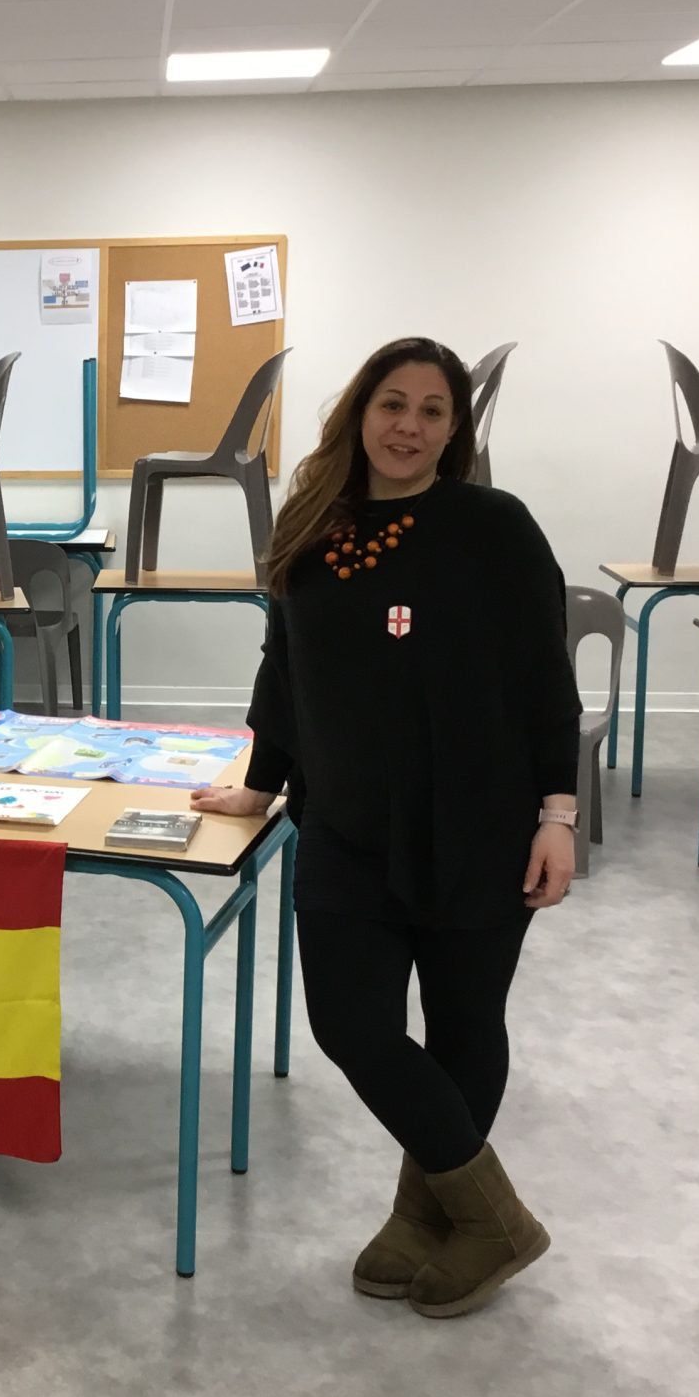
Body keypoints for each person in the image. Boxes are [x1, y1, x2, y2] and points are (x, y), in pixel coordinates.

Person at [191, 336, 580, 1318]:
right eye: (392, 404)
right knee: (350, 1025)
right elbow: (284, 667)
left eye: (431, 410)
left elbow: (546, 678)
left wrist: (558, 813)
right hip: (346, 826)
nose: (408, 425)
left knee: (462, 1025)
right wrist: (260, 783)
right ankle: (495, 1218)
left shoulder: (493, 527)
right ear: (359, 412)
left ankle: (427, 1218)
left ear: (454, 429)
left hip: (478, 824)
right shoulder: (310, 522)